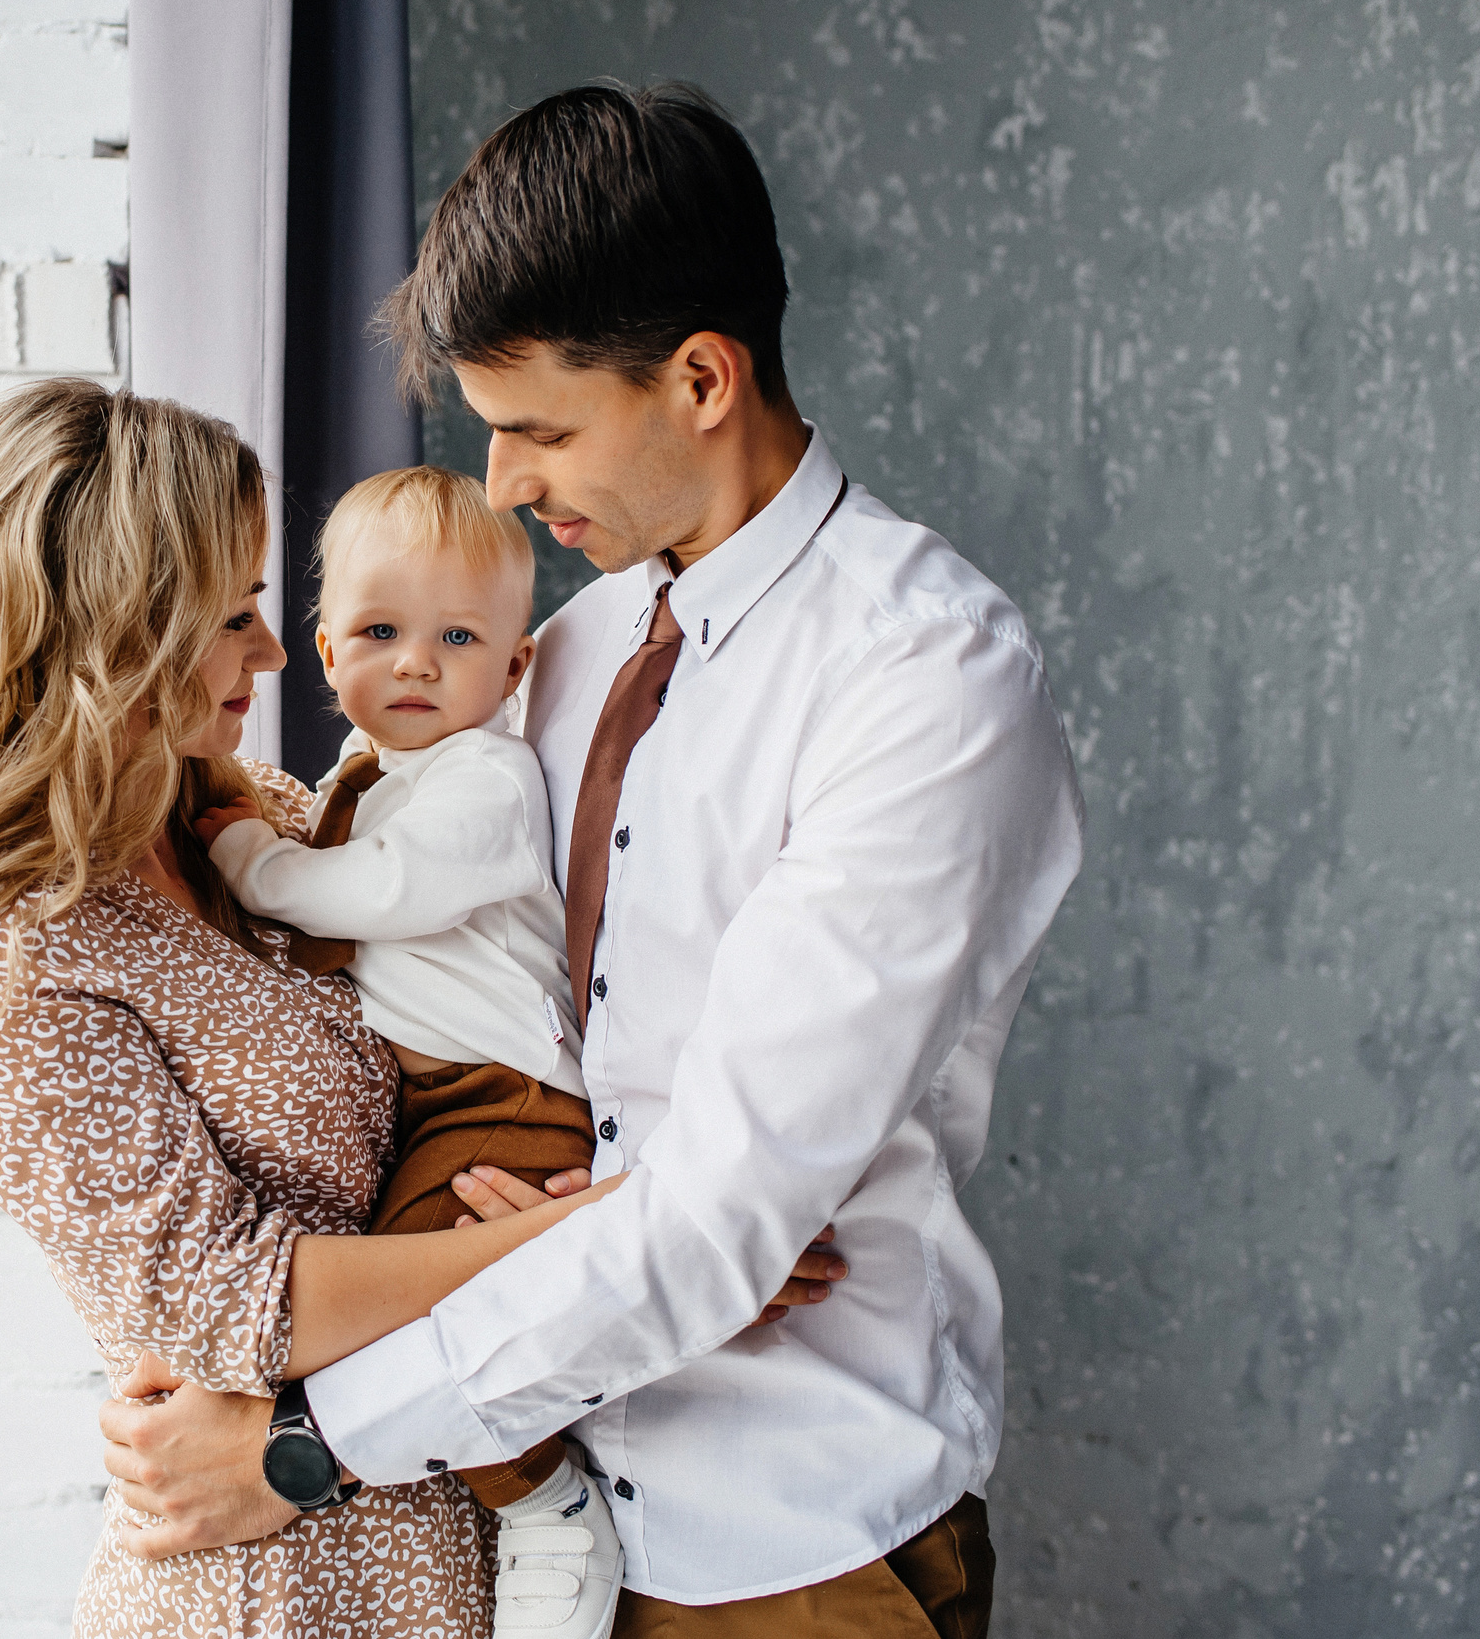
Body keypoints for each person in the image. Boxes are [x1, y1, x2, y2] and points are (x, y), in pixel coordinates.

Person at [100, 83, 1085, 1639]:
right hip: (509, 1533)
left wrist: (305, 1446)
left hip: (787, 1542)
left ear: (701, 377)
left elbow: (716, 1223)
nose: (500, 485)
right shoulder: (558, 649)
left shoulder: (926, 679)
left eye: (537, 429)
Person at [0, 379, 841, 1639]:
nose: (280, 653)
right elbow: (231, 1306)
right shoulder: (21, 961)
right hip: (281, 1589)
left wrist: (636, 1248)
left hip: (436, 1510)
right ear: (112, 637)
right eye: (231, 617)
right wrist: (631, 1244)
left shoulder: (262, 814)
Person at [197, 465, 623, 1635]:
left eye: (458, 636)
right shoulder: (363, 777)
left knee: (413, 1313)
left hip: (503, 1094)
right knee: (406, 1297)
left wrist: (245, 856)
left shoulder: (485, 779)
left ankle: (543, 1500)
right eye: (381, 631)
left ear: (516, 665)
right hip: (439, 1095)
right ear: (327, 650)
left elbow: (374, 892)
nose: (418, 663)